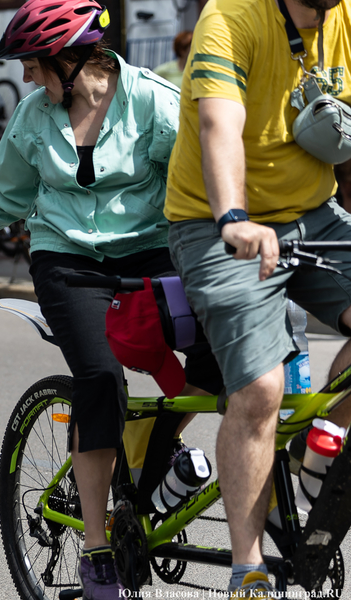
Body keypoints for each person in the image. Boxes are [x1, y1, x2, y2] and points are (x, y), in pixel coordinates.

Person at [0, 1, 222, 598]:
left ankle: (153, 462)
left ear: (69, 58)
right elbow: (5, 196)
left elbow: (198, 182)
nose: (28, 79)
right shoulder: (34, 116)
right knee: (100, 378)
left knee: (217, 359)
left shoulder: (153, 103)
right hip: (66, 261)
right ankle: (95, 548)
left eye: (34, 65)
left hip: (150, 252)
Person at [163, 0, 351, 593]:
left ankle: (306, 457)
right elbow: (218, 123)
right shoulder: (232, 16)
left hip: (313, 214)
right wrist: (234, 218)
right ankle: (248, 568)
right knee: (261, 388)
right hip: (215, 223)